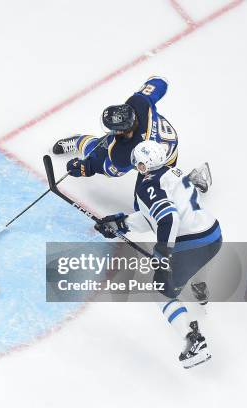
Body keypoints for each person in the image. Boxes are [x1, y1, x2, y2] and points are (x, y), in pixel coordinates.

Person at [95, 140, 222, 369]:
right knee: (194, 262)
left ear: (143, 165)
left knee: (161, 292)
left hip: (191, 243)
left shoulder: (147, 184)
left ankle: (195, 342)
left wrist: (162, 251)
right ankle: (200, 288)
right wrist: (121, 223)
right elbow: (154, 216)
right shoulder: (174, 172)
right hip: (213, 234)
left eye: (137, 163)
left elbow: (168, 218)